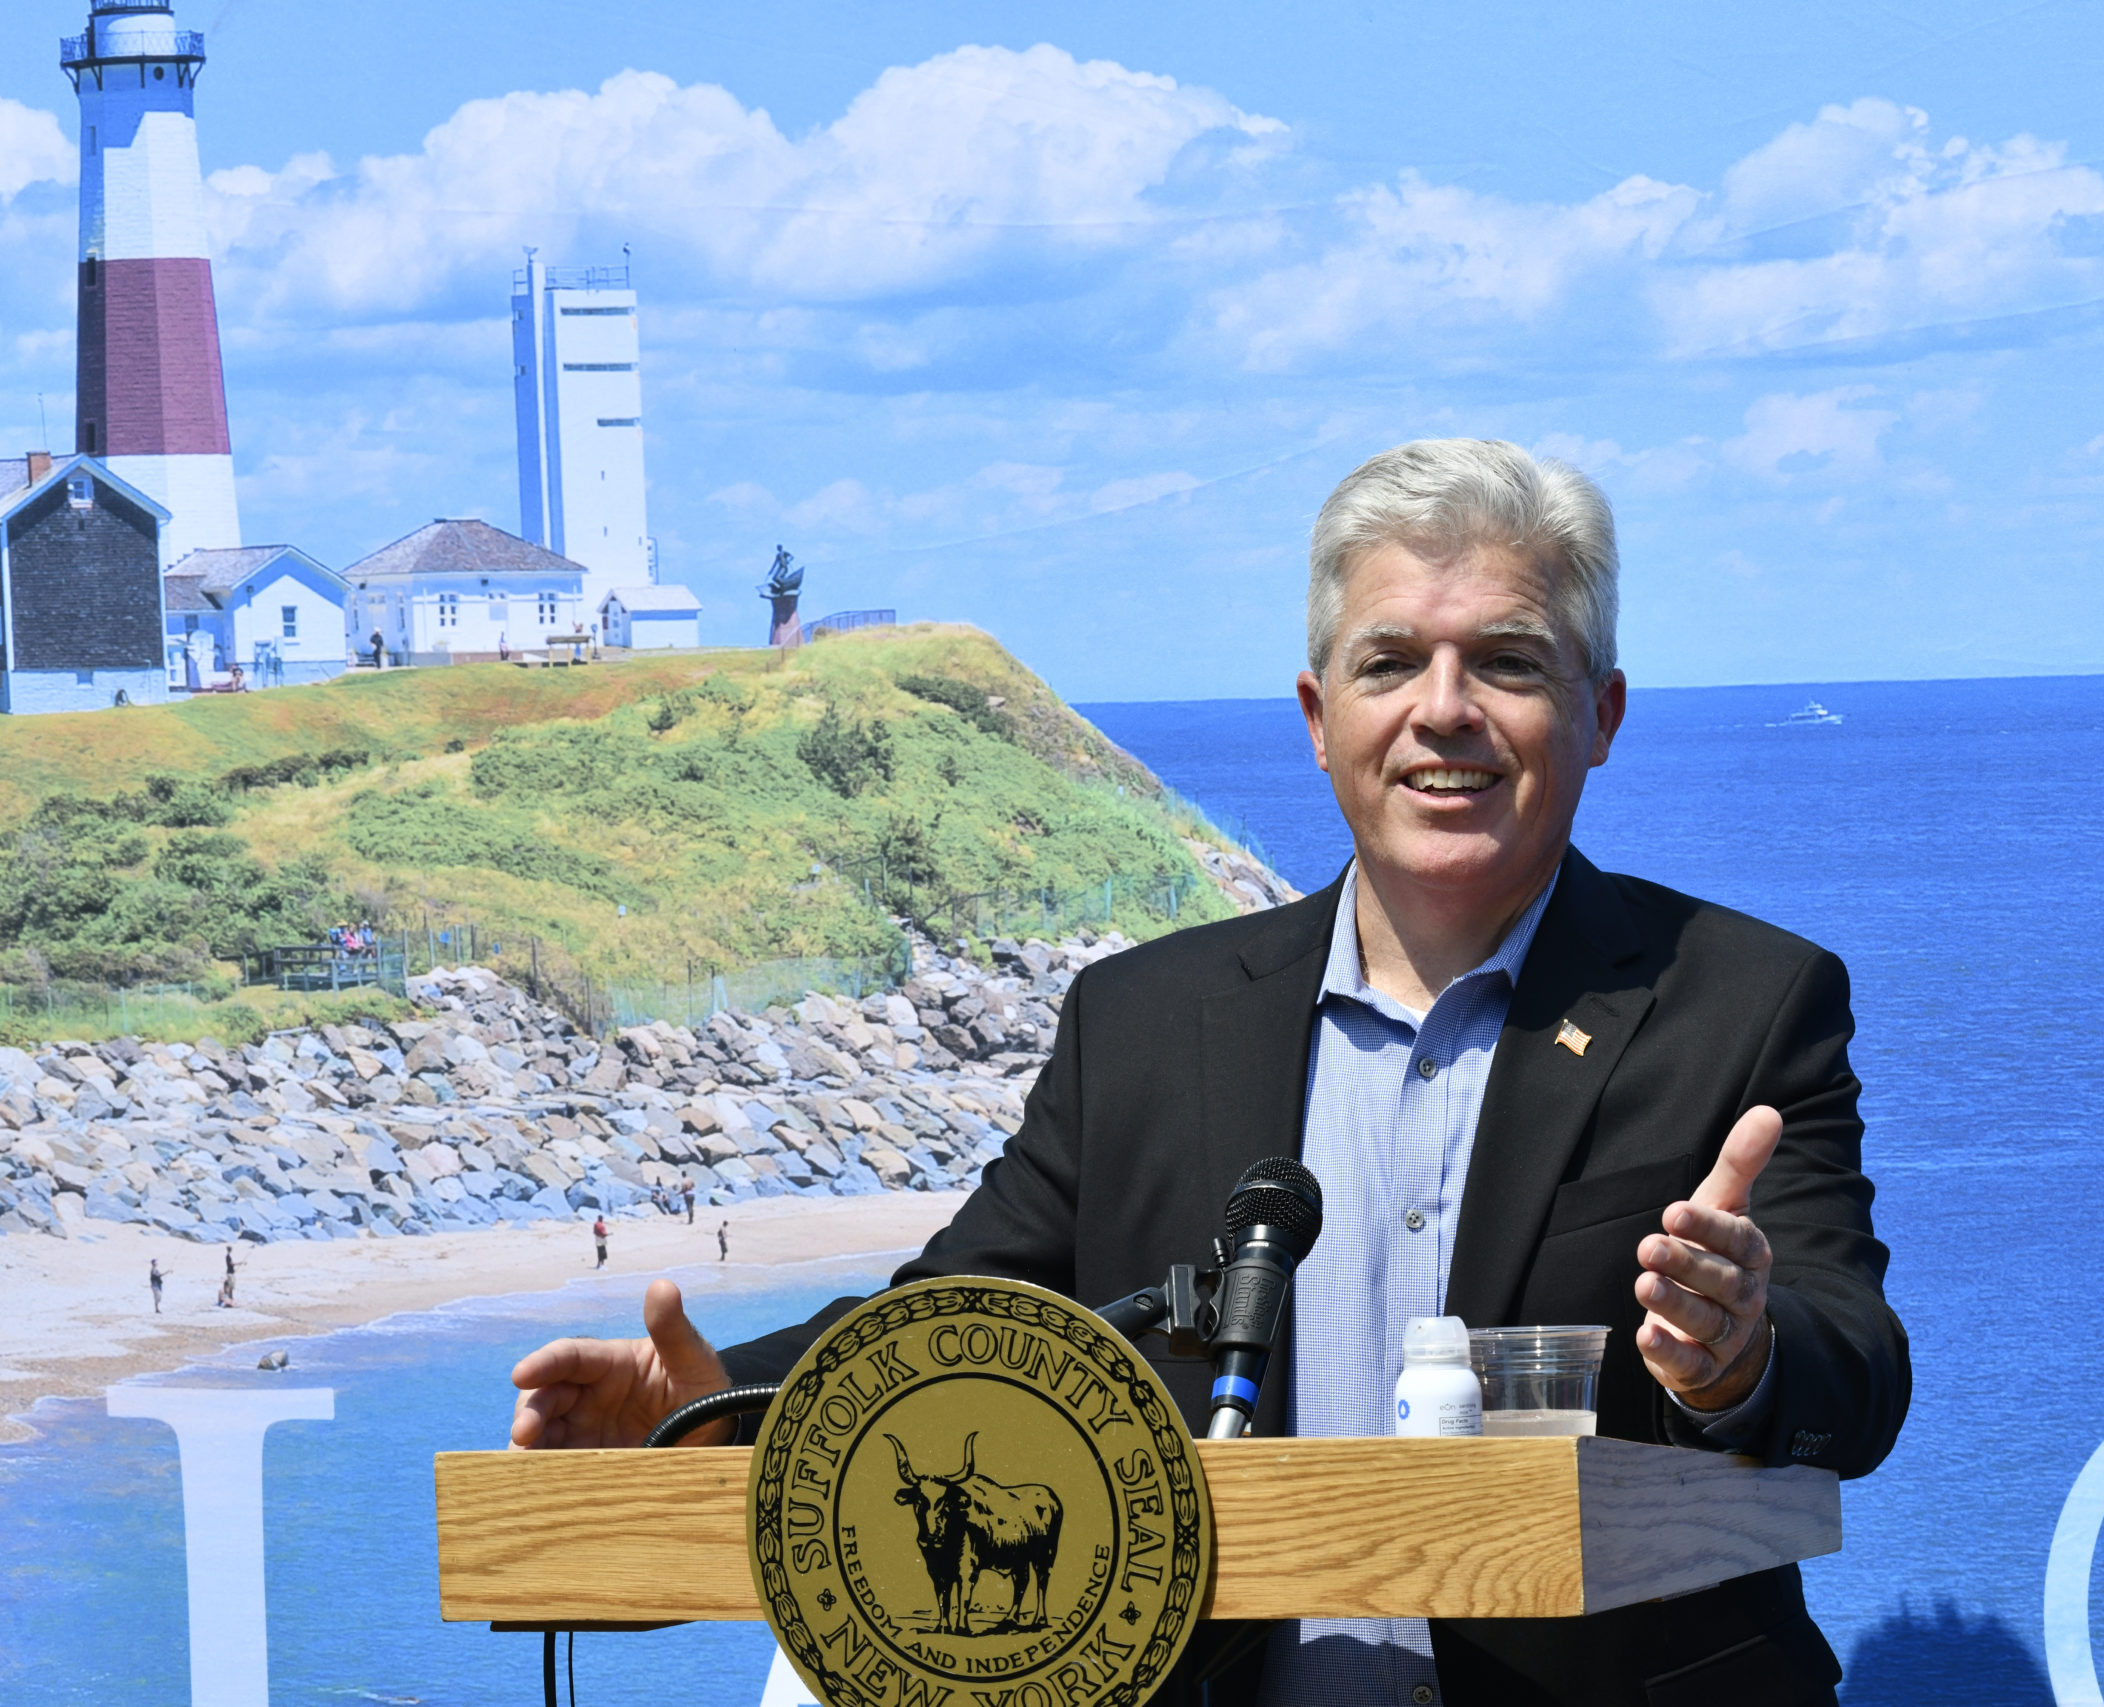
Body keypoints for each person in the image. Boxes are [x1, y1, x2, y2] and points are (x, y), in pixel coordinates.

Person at [507, 440, 1909, 1706]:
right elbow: (954, 1324)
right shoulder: (1143, 1020)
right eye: (1389, 664)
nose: (1445, 711)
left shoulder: (1745, 1003)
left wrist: (1739, 1358)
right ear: (1317, 714)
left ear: (1600, 712)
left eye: (1509, 661)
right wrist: (703, 1409)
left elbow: (1857, 1368)